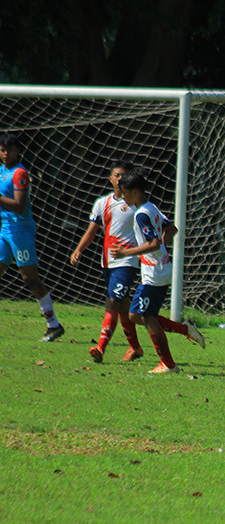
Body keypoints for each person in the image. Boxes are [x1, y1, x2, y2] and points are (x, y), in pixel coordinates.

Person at [109, 168, 205, 374]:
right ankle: (184, 329)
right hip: (159, 268)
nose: (122, 196)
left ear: (134, 192)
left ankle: (168, 364)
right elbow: (171, 230)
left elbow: (152, 243)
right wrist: (161, 248)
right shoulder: (151, 208)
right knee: (136, 315)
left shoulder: (141, 214)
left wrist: (128, 252)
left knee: (148, 317)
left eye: (124, 192)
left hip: (154, 272)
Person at [70, 160, 145, 363]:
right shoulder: (102, 203)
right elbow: (92, 231)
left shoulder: (137, 205)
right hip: (108, 263)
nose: (120, 179)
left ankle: (100, 348)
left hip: (127, 263)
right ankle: (135, 348)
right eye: (117, 175)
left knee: (112, 302)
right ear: (110, 179)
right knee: (123, 307)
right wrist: (78, 249)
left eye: (124, 175)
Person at [0, 133, 64, 341]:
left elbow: (19, 206)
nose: (5, 153)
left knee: (30, 278)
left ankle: (53, 325)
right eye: (2, 149)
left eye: (10, 149)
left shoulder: (20, 174)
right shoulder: (2, 171)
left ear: (18, 150)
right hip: (5, 230)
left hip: (21, 231)